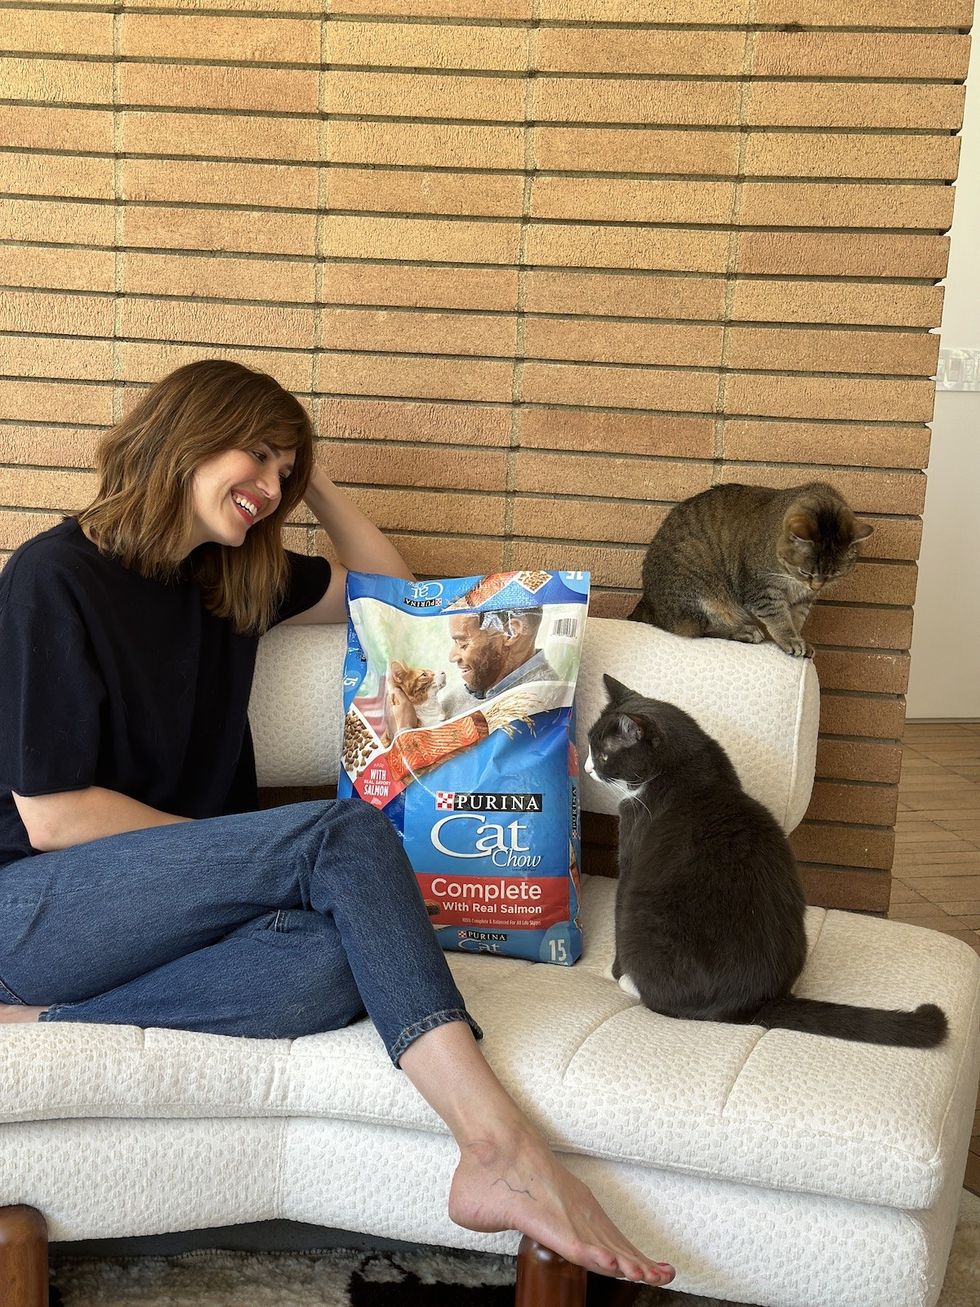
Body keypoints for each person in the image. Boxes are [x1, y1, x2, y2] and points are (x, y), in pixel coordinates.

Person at [0, 360, 674, 1288]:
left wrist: (312, 475)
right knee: (342, 834)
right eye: (259, 457)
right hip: (36, 906)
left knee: (332, 964)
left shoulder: (234, 577)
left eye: (286, 472)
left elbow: (394, 589)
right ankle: (498, 1148)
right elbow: (56, 816)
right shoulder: (51, 575)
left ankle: (43, 1018)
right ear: (187, 434)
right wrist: (232, 859)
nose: (272, 488)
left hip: (159, 918)